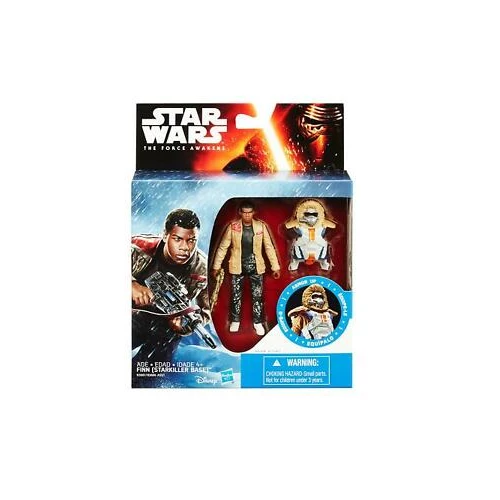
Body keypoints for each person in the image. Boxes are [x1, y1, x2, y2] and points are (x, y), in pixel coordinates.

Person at [131, 209, 210, 363]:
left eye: (192, 240)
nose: (185, 247)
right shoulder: (138, 246)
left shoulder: (204, 269)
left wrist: (185, 326)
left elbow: (209, 308)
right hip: (133, 316)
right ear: (165, 235)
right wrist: (131, 284)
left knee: (152, 369)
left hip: (165, 327)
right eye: (177, 239)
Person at [212, 200, 280, 335]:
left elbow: (269, 247)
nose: (247, 215)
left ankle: (258, 322)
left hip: (257, 266)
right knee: (235, 295)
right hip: (237, 266)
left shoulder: (261, 227)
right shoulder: (233, 227)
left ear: (253, 212)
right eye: (244, 212)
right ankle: (235, 321)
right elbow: (223, 247)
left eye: (249, 212)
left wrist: (275, 267)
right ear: (240, 213)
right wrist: (216, 266)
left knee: (257, 296)